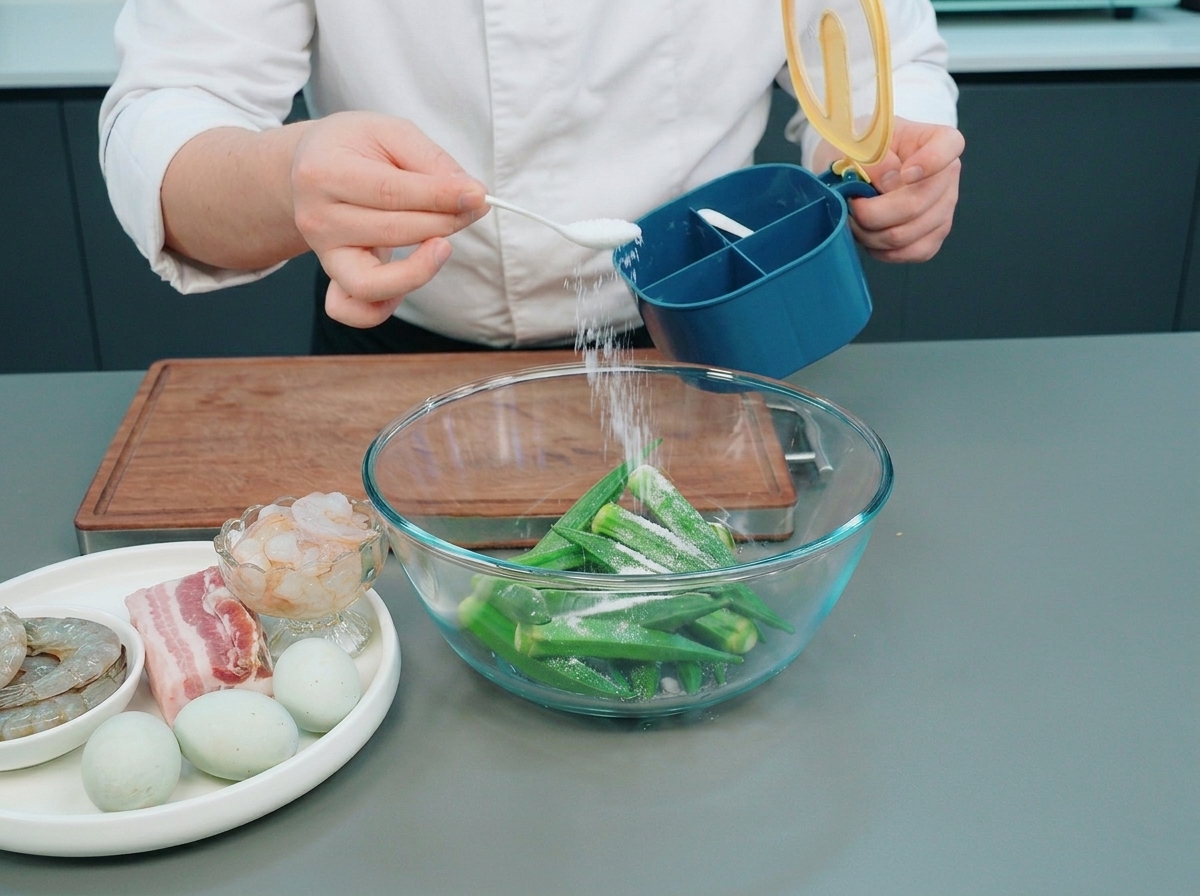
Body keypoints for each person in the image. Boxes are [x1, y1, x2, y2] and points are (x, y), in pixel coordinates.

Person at [99, 1, 964, 354]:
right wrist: (283, 175)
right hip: (398, 352)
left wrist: (894, 159)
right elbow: (169, 112)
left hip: (701, 347)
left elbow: (874, 55)